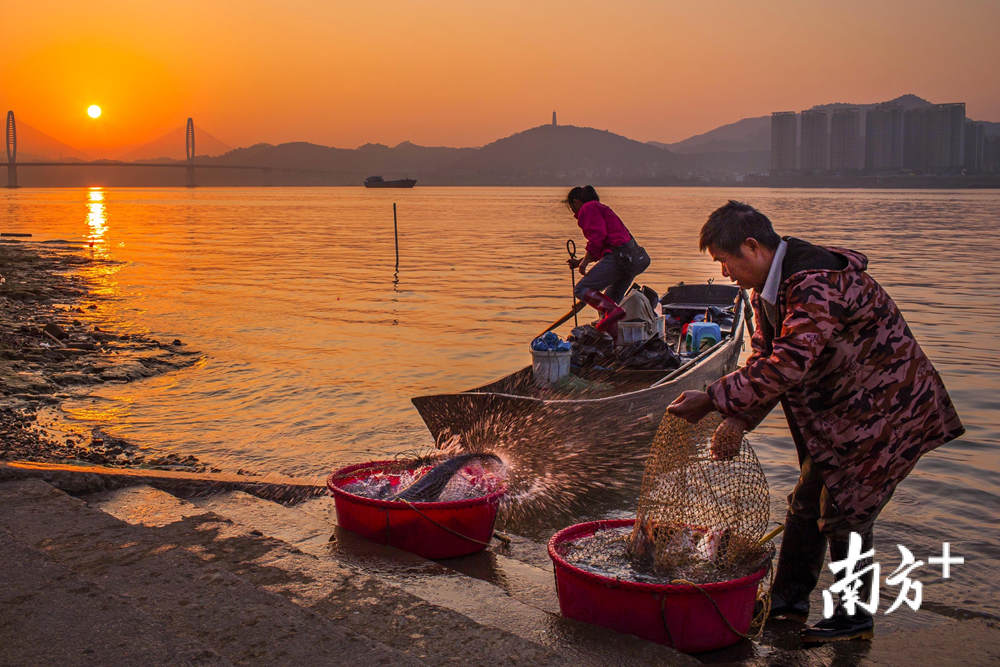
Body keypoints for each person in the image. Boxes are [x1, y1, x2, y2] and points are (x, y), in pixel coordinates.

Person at [667, 201, 963, 644]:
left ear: (753, 246)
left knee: (846, 509)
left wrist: (712, 400)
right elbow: (765, 359)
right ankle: (787, 603)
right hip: (840, 415)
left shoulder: (815, 284)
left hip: (884, 411)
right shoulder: (767, 290)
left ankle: (854, 617)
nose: (725, 272)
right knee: (806, 503)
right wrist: (737, 418)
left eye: (725, 261)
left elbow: (790, 363)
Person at [566, 185, 650, 338]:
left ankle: (612, 312)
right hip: (632, 260)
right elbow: (604, 245)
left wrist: (584, 264)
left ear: (576, 201)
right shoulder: (601, 209)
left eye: (572, 207)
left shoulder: (588, 208)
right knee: (608, 304)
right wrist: (580, 261)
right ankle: (613, 342)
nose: (574, 213)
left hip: (620, 257)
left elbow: (597, 237)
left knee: (581, 289)